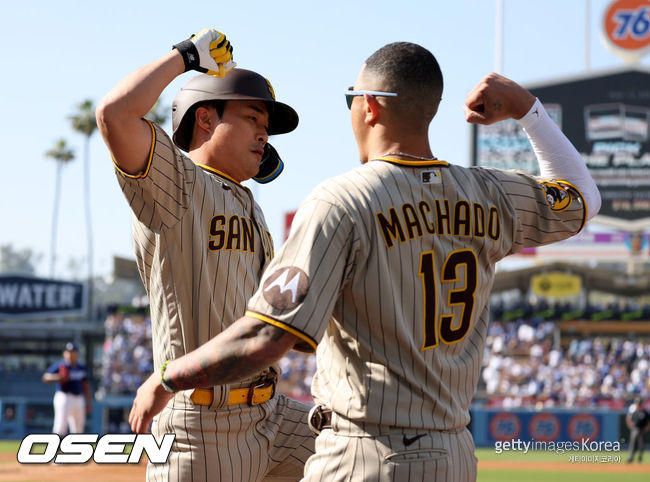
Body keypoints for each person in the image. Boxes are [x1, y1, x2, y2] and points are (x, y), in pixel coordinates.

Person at [129, 42, 601, 481]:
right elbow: (584, 197)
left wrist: (169, 376)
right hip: (454, 453)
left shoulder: (342, 200)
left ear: (369, 106)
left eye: (351, 99)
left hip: (366, 453)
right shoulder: (489, 193)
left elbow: (269, 336)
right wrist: (527, 109)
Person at [96, 28, 314, 481]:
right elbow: (115, 115)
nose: (264, 132)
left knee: (371, 451)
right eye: (253, 117)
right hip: (202, 426)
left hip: (272, 416)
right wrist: (187, 55)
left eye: (266, 127)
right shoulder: (178, 183)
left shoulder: (249, 203)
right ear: (206, 120)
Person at [42, 342, 91, 436]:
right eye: (69, 352)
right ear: (65, 353)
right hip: (64, 396)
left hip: (79, 398)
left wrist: (88, 402)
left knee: (78, 428)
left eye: (73, 352)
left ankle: (76, 450)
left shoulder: (81, 368)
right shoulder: (61, 365)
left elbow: (86, 385)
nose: (71, 354)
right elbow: (45, 377)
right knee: (60, 425)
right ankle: (55, 448)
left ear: (77, 354)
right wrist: (59, 377)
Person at [626, 397, 649, 463]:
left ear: (641, 404)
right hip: (635, 429)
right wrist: (630, 425)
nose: (638, 405)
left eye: (639, 403)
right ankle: (631, 457)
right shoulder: (634, 411)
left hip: (642, 429)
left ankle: (640, 457)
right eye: (637, 403)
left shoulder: (645, 412)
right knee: (632, 444)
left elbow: (648, 421)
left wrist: (647, 428)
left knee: (641, 444)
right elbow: (629, 418)